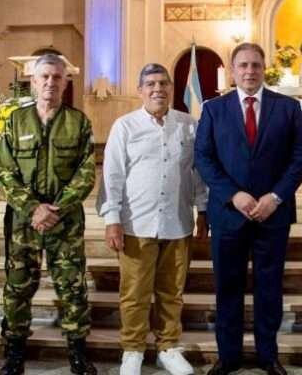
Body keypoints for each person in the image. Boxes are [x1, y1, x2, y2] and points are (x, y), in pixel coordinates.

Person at [194, 43, 302, 375]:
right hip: (229, 215)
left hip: (273, 215)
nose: (249, 71)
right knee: (227, 286)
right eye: (243, 65)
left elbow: (299, 157)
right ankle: (228, 355)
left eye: (255, 65)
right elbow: (204, 157)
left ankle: (267, 355)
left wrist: (275, 197)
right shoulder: (214, 109)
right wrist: (233, 195)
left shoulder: (288, 107)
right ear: (232, 70)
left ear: (264, 68)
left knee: (269, 286)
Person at [97, 63, 208, 375]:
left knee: (172, 291)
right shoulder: (125, 126)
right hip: (136, 223)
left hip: (177, 222)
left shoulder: (189, 125)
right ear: (140, 90)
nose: (158, 89)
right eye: (151, 84)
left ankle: (168, 347)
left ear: (172, 88)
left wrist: (203, 209)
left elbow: (198, 171)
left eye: (163, 83)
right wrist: (112, 218)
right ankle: (132, 350)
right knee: (134, 293)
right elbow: (113, 175)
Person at [0, 54, 97, 375]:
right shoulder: (15, 122)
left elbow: (86, 173)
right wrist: (32, 208)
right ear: (33, 80)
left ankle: (78, 354)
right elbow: (4, 171)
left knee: (72, 287)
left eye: (57, 77)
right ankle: (14, 354)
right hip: (22, 224)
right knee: (17, 287)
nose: (50, 83)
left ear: (65, 82)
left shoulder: (78, 122)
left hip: (64, 222)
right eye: (44, 77)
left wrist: (56, 209)